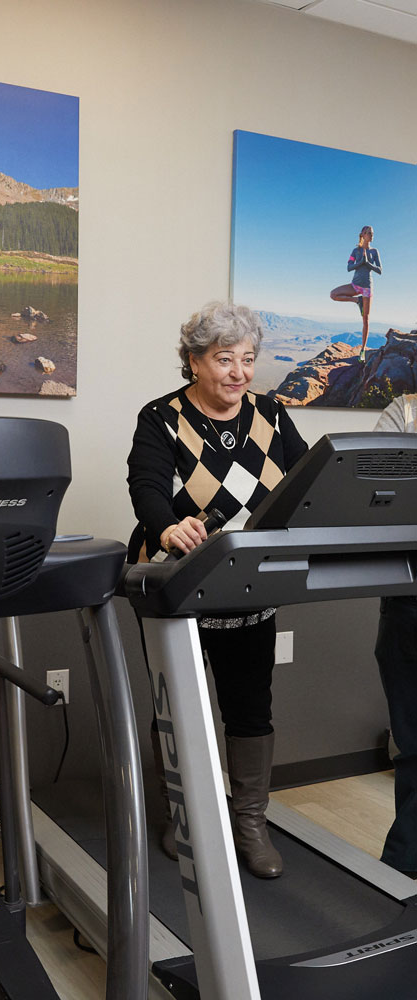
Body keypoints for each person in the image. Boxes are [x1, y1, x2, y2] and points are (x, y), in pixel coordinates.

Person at [127, 301, 307, 879]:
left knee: (250, 704)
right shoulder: (161, 418)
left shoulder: (272, 416)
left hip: (247, 581)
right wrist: (166, 525)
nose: (238, 372)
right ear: (193, 362)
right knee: (179, 705)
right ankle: (183, 818)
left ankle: (248, 822)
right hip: (174, 577)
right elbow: (147, 485)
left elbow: (303, 484)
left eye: (247, 359)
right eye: (224, 359)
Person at [373, 393, 417, 875]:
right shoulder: (403, 414)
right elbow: (379, 497)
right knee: (413, 746)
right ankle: (402, 875)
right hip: (409, 600)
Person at [329, 225, 383, 363]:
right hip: (354, 285)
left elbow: (380, 270)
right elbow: (349, 267)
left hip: (367, 288)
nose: (371, 235)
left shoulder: (374, 252)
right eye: (369, 233)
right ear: (363, 235)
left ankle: (363, 350)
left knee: (366, 319)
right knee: (333, 294)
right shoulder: (356, 251)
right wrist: (360, 262)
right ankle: (356, 301)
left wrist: (368, 263)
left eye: (372, 233)